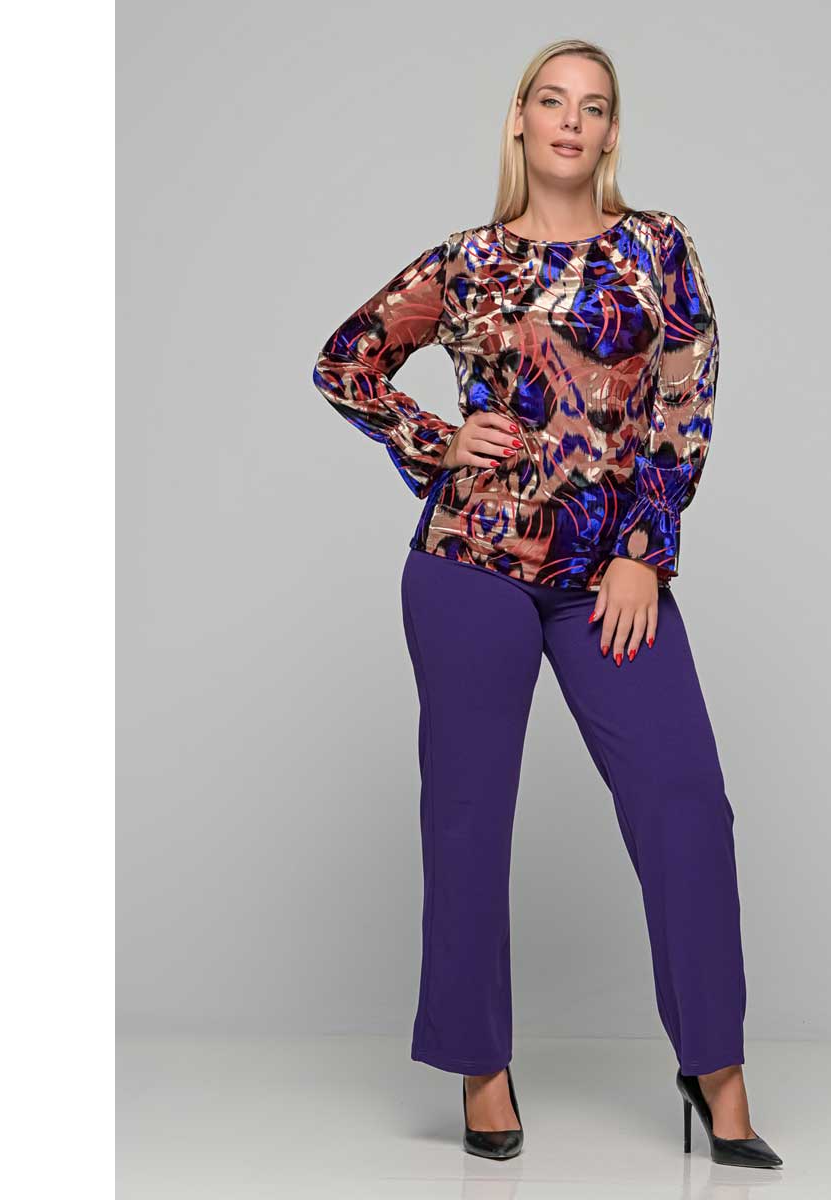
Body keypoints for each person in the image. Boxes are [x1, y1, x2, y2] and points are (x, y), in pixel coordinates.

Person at [311, 38, 783, 1170]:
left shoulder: (657, 247)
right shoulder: (467, 262)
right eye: (553, 101)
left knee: (683, 802)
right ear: (519, 120)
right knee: (469, 814)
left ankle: (716, 1068)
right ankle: (482, 1067)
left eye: (594, 106)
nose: (572, 121)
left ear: (612, 132)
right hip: (470, 562)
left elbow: (685, 403)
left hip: (607, 576)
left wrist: (645, 551)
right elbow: (345, 363)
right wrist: (436, 439)